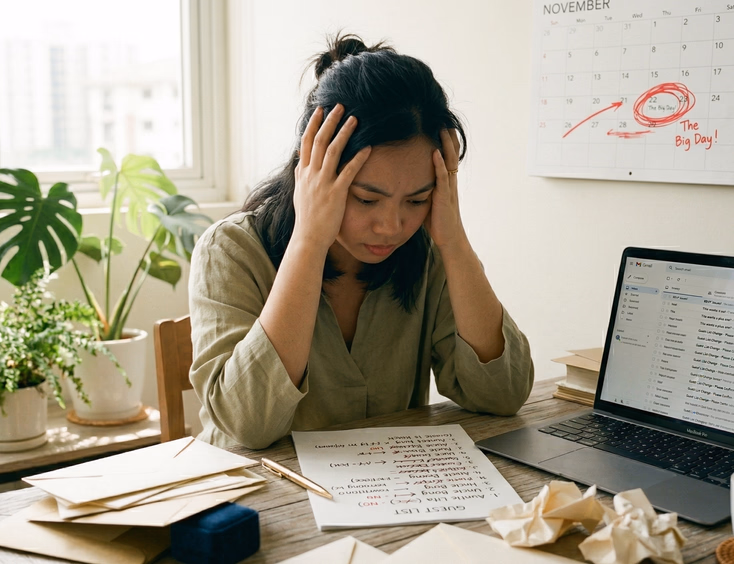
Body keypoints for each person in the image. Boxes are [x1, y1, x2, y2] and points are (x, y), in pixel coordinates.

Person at [189, 33, 534, 449]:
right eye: (367, 198)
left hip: (390, 497)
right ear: (312, 170)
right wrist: (309, 241)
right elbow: (247, 424)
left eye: (417, 198)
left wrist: (454, 242)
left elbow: (503, 396)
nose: (391, 225)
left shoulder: (425, 252)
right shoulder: (230, 251)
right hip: (261, 500)